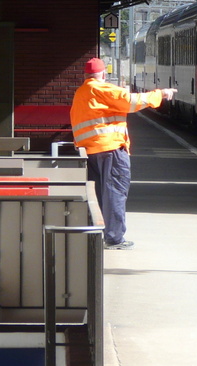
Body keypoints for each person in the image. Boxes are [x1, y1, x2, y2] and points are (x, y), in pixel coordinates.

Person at [70, 57, 176, 250]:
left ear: (85, 75)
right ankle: (114, 238)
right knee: (115, 193)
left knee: (99, 195)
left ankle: (99, 232)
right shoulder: (103, 89)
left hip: (90, 151)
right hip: (110, 150)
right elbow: (133, 102)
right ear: (103, 74)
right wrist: (160, 94)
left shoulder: (81, 92)